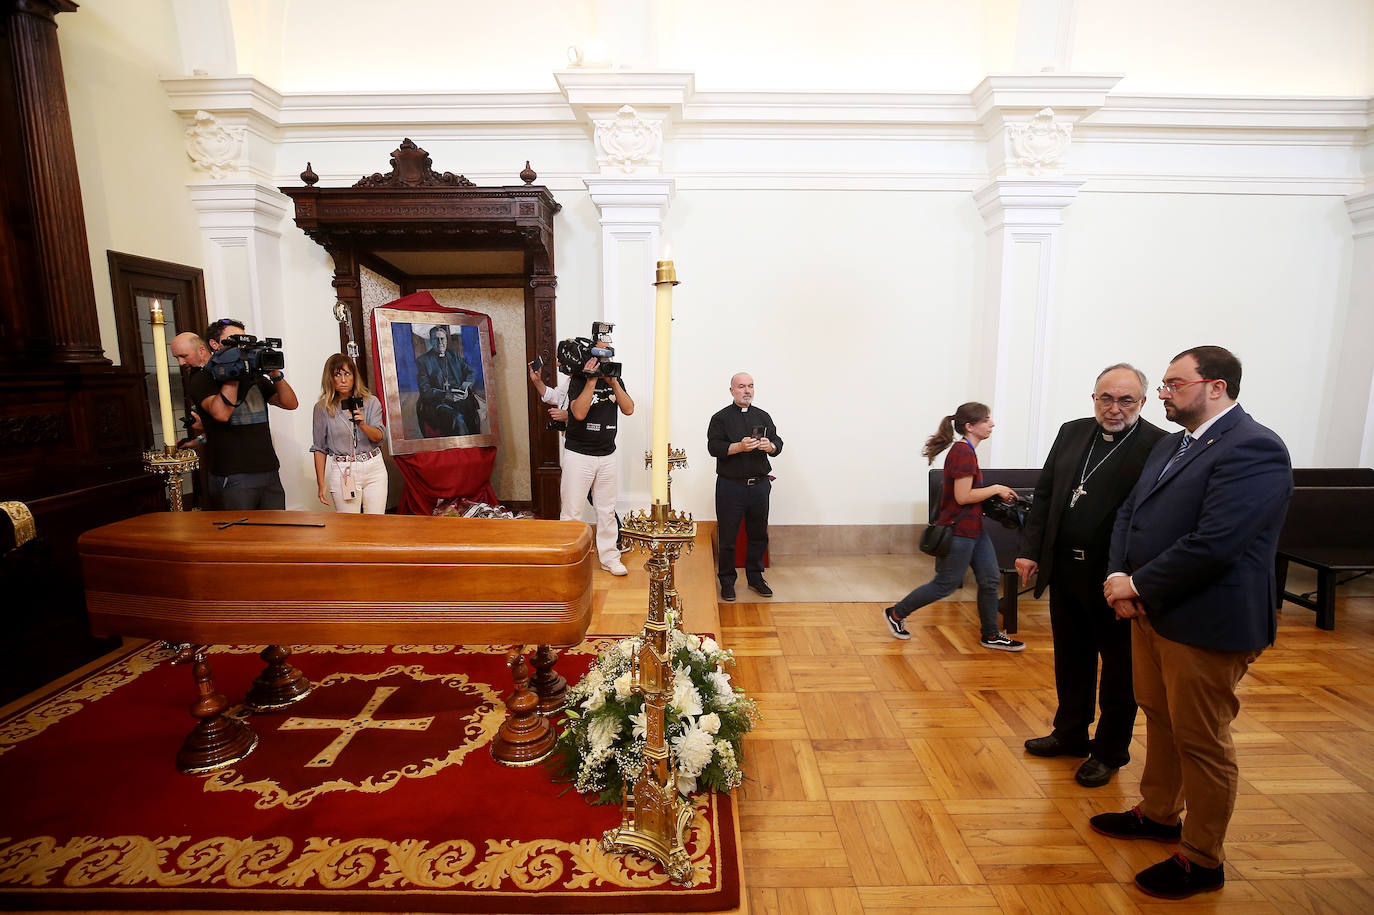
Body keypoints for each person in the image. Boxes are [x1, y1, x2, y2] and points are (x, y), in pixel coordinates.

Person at [1092, 345, 1292, 900]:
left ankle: (1203, 858)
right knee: (1159, 715)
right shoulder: (1176, 443)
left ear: (1217, 387)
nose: (1163, 394)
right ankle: (1159, 813)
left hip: (1209, 619)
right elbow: (1132, 512)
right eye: (1163, 384)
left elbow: (1217, 542)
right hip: (1153, 611)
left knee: (1201, 739)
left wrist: (1138, 583)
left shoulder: (1254, 447)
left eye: (1174, 384)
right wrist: (1119, 575)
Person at [1015, 364, 1167, 787]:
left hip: (1114, 579)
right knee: (1072, 658)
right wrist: (1030, 551)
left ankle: (1110, 751)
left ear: (1143, 401)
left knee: (1120, 670)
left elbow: (1152, 520)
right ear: (1094, 397)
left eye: (1125, 400)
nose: (1113, 409)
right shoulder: (1072, 431)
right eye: (1106, 398)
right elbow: (1046, 493)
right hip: (1065, 569)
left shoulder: (1159, 445)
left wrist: (1135, 581)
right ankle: (1070, 734)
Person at [883, 402, 1023, 651]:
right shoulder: (962, 452)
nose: (992, 424)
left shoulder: (966, 450)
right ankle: (896, 613)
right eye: (986, 420)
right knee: (945, 584)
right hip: (960, 531)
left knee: (990, 580)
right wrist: (996, 488)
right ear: (970, 426)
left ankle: (990, 635)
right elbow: (963, 496)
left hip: (974, 529)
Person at [188, 317, 298, 509]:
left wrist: (275, 373)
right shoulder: (203, 379)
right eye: (234, 340)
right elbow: (222, 414)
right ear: (215, 344)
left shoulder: (255, 377)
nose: (241, 346)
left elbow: (290, 403)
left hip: (268, 470)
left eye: (243, 340)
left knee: (276, 534)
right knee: (240, 535)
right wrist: (233, 373)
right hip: (233, 474)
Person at [706, 372, 783, 602]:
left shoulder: (763, 416)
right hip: (731, 486)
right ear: (731, 390)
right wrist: (739, 446)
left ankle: (756, 577)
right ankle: (727, 582)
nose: (746, 390)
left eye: (750, 386)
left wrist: (771, 446)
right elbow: (714, 448)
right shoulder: (720, 418)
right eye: (741, 386)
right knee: (728, 537)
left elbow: (778, 442)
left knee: (758, 534)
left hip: (759, 486)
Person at [562, 355, 634, 576]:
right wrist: (591, 380)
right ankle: (569, 559)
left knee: (607, 509)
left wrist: (613, 382)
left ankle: (610, 557)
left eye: (608, 357)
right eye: (601, 357)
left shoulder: (615, 379)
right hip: (579, 454)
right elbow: (579, 413)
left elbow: (629, 408)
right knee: (572, 511)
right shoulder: (578, 379)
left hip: (607, 454)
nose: (605, 362)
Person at [311, 353, 387, 513]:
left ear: (354, 376)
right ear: (330, 378)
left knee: (377, 524)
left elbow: (379, 437)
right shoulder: (322, 408)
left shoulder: (370, 402)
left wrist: (362, 424)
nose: (343, 380)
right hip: (343, 469)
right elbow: (319, 448)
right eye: (337, 375)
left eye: (347, 374)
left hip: (374, 467)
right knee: (349, 525)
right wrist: (321, 482)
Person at [416, 324, 479, 436]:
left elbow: (470, 372)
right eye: (436, 339)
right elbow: (425, 391)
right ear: (431, 341)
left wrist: (465, 388)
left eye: (442, 339)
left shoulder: (453, 355)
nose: (440, 342)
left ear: (446, 340)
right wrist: (446, 395)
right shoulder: (423, 361)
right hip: (438, 402)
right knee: (457, 419)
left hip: (459, 397)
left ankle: (476, 448)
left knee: (472, 414)